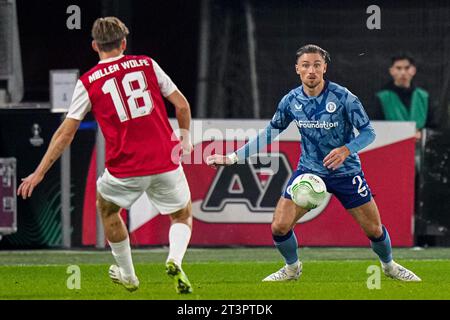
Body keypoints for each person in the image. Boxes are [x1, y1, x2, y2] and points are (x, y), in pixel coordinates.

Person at [207, 44, 421, 282]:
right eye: (306, 65)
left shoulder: (344, 97)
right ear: (297, 69)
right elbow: (269, 133)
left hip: (346, 172)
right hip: (309, 172)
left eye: (317, 65)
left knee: (374, 230)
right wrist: (233, 158)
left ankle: (389, 266)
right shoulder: (290, 100)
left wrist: (346, 149)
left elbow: (368, 133)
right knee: (279, 226)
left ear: (324, 68)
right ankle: (292, 268)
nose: (311, 70)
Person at [17, 17, 194, 294]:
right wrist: (183, 140)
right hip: (164, 161)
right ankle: (174, 260)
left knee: (108, 208)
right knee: (182, 215)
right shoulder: (147, 64)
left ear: (94, 46)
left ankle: (128, 275)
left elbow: (65, 133)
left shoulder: (88, 82)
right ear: (123, 43)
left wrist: (39, 173)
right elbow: (182, 105)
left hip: (124, 168)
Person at [373, 53, 434, 141]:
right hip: (392, 147)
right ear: (391, 71)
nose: (403, 72)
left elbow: (433, 127)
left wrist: (423, 134)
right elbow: (377, 128)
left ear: (413, 70)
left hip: (419, 150)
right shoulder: (382, 98)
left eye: (407, 68)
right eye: (398, 68)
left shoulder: (424, 97)